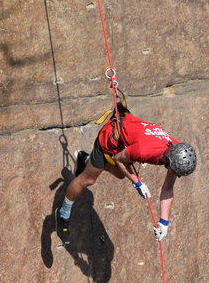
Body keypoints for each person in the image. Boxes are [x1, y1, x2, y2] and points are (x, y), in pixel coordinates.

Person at [57, 103, 196, 242]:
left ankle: (86, 160)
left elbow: (168, 188)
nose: (176, 175)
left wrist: (164, 223)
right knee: (88, 180)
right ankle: (63, 213)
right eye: (176, 171)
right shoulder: (144, 151)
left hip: (128, 136)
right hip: (112, 135)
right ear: (169, 159)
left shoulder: (176, 150)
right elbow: (118, 159)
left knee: (121, 174)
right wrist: (137, 183)